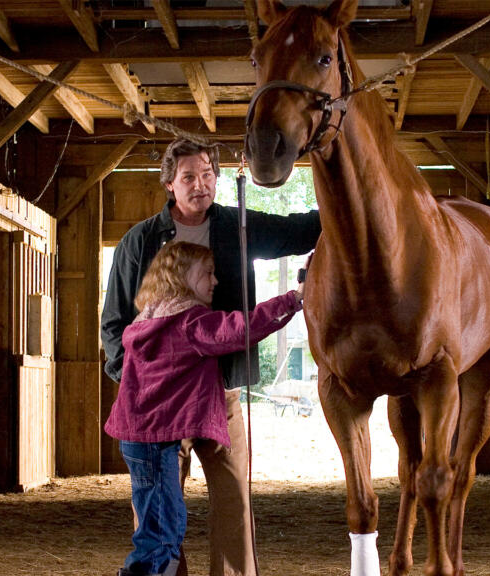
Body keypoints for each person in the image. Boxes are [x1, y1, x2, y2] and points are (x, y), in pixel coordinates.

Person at [101, 138, 321, 576]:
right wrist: (141, 381)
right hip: (161, 404)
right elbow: (114, 322)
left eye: (207, 175)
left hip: (223, 392)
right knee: (159, 505)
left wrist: (343, 205)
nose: (200, 185)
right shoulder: (138, 242)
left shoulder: (237, 225)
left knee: (234, 496)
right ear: (169, 184)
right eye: (188, 177)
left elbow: (297, 231)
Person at [106, 241, 305, 576]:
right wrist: (294, 300)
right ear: (183, 277)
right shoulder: (190, 323)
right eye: (207, 274)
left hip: (143, 442)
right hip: (156, 443)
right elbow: (243, 327)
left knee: (159, 530)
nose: (215, 281)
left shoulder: (148, 319)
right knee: (161, 536)